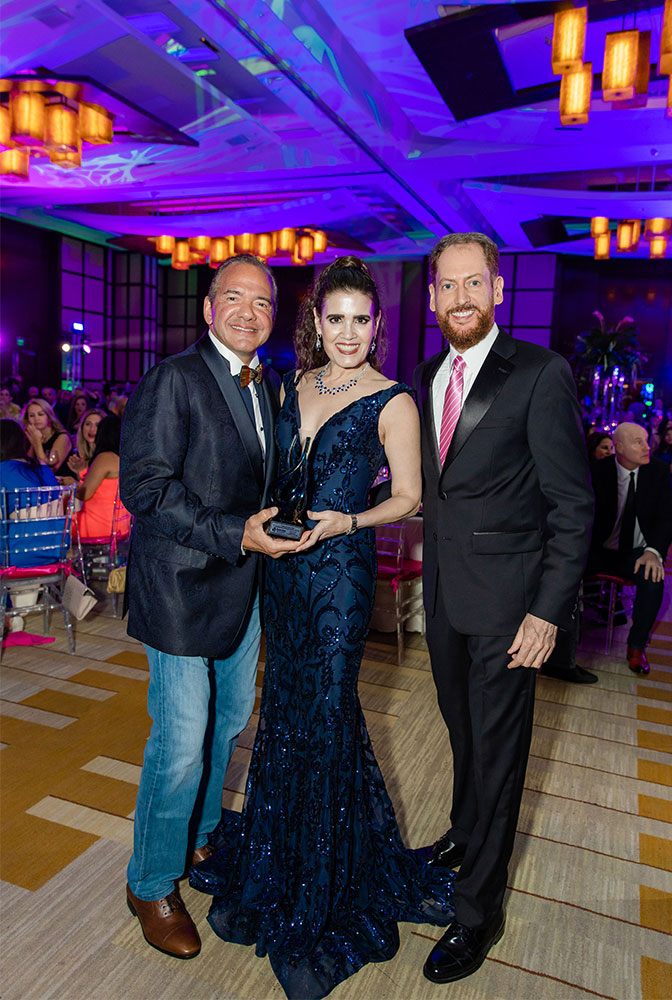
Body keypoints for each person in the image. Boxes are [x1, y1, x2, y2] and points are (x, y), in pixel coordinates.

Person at [202, 257, 453, 1000]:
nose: (348, 333)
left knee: (328, 710)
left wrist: (352, 517)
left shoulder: (393, 399)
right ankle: (282, 857)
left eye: (361, 320)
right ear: (317, 323)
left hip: (340, 576)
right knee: (284, 708)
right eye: (334, 318)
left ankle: (328, 876)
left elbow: (409, 495)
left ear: (377, 325)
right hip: (284, 570)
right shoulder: (291, 383)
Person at [413, 233, 593, 985]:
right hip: (447, 598)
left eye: (473, 284)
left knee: (499, 754)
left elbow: (573, 505)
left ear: (497, 291)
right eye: (447, 286)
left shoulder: (540, 374)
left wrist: (547, 612)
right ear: (431, 299)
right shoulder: (425, 376)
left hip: (513, 610)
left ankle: (477, 912)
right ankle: (463, 831)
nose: (460, 298)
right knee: (460, 730)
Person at [119, 254, 305, 960]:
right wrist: (238, 533)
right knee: (179, 740)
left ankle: (195, 840)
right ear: (208, 307)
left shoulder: (269, 385)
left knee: (227, 727)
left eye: (262, 303)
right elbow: (147, 488)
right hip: (180, 589)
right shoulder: (174, 379)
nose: (250, 313)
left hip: (242, 585)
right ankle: (151, 881)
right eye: (236, 298)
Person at [589, 422, 672, 674]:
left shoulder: (657, 471)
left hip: (637, 552)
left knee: (653, 577)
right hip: (598, 548)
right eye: (639, 442)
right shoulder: (597, 471)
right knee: (563, 571)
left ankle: (636, 647)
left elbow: (667, 518)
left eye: (647, 440)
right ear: (619, 448)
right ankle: (563, 647)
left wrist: (654, 552)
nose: (647, 447)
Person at [0, 419, 62, 630]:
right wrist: (38, 447)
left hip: (16, 555)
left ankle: (7, 614)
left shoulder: (2, 472)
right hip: (51, 552)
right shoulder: (40, 470)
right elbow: (55, 496)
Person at [74, 416, 126, 539]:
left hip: (98, 528)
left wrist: (71, 484)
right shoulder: (123, 458)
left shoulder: (105, 458)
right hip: (119, 528)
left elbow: (84, 494)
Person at [21, 398, 73, 478]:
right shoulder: (31, 436)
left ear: (48, 416)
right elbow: (27, 467)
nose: (36, 419)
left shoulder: (62, 437)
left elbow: (48, 471)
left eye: (40, 414)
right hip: (37, 483)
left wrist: (37, 443)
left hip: (60, 484)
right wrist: (33, 443)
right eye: (32, 416)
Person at [67, 408, 105, 479]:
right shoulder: (82, 459)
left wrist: (75, 482)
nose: (92, 429)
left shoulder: (105, 457)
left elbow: (93, 489)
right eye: (88, 424)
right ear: (82, 428)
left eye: (97, 425)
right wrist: (78, 470)